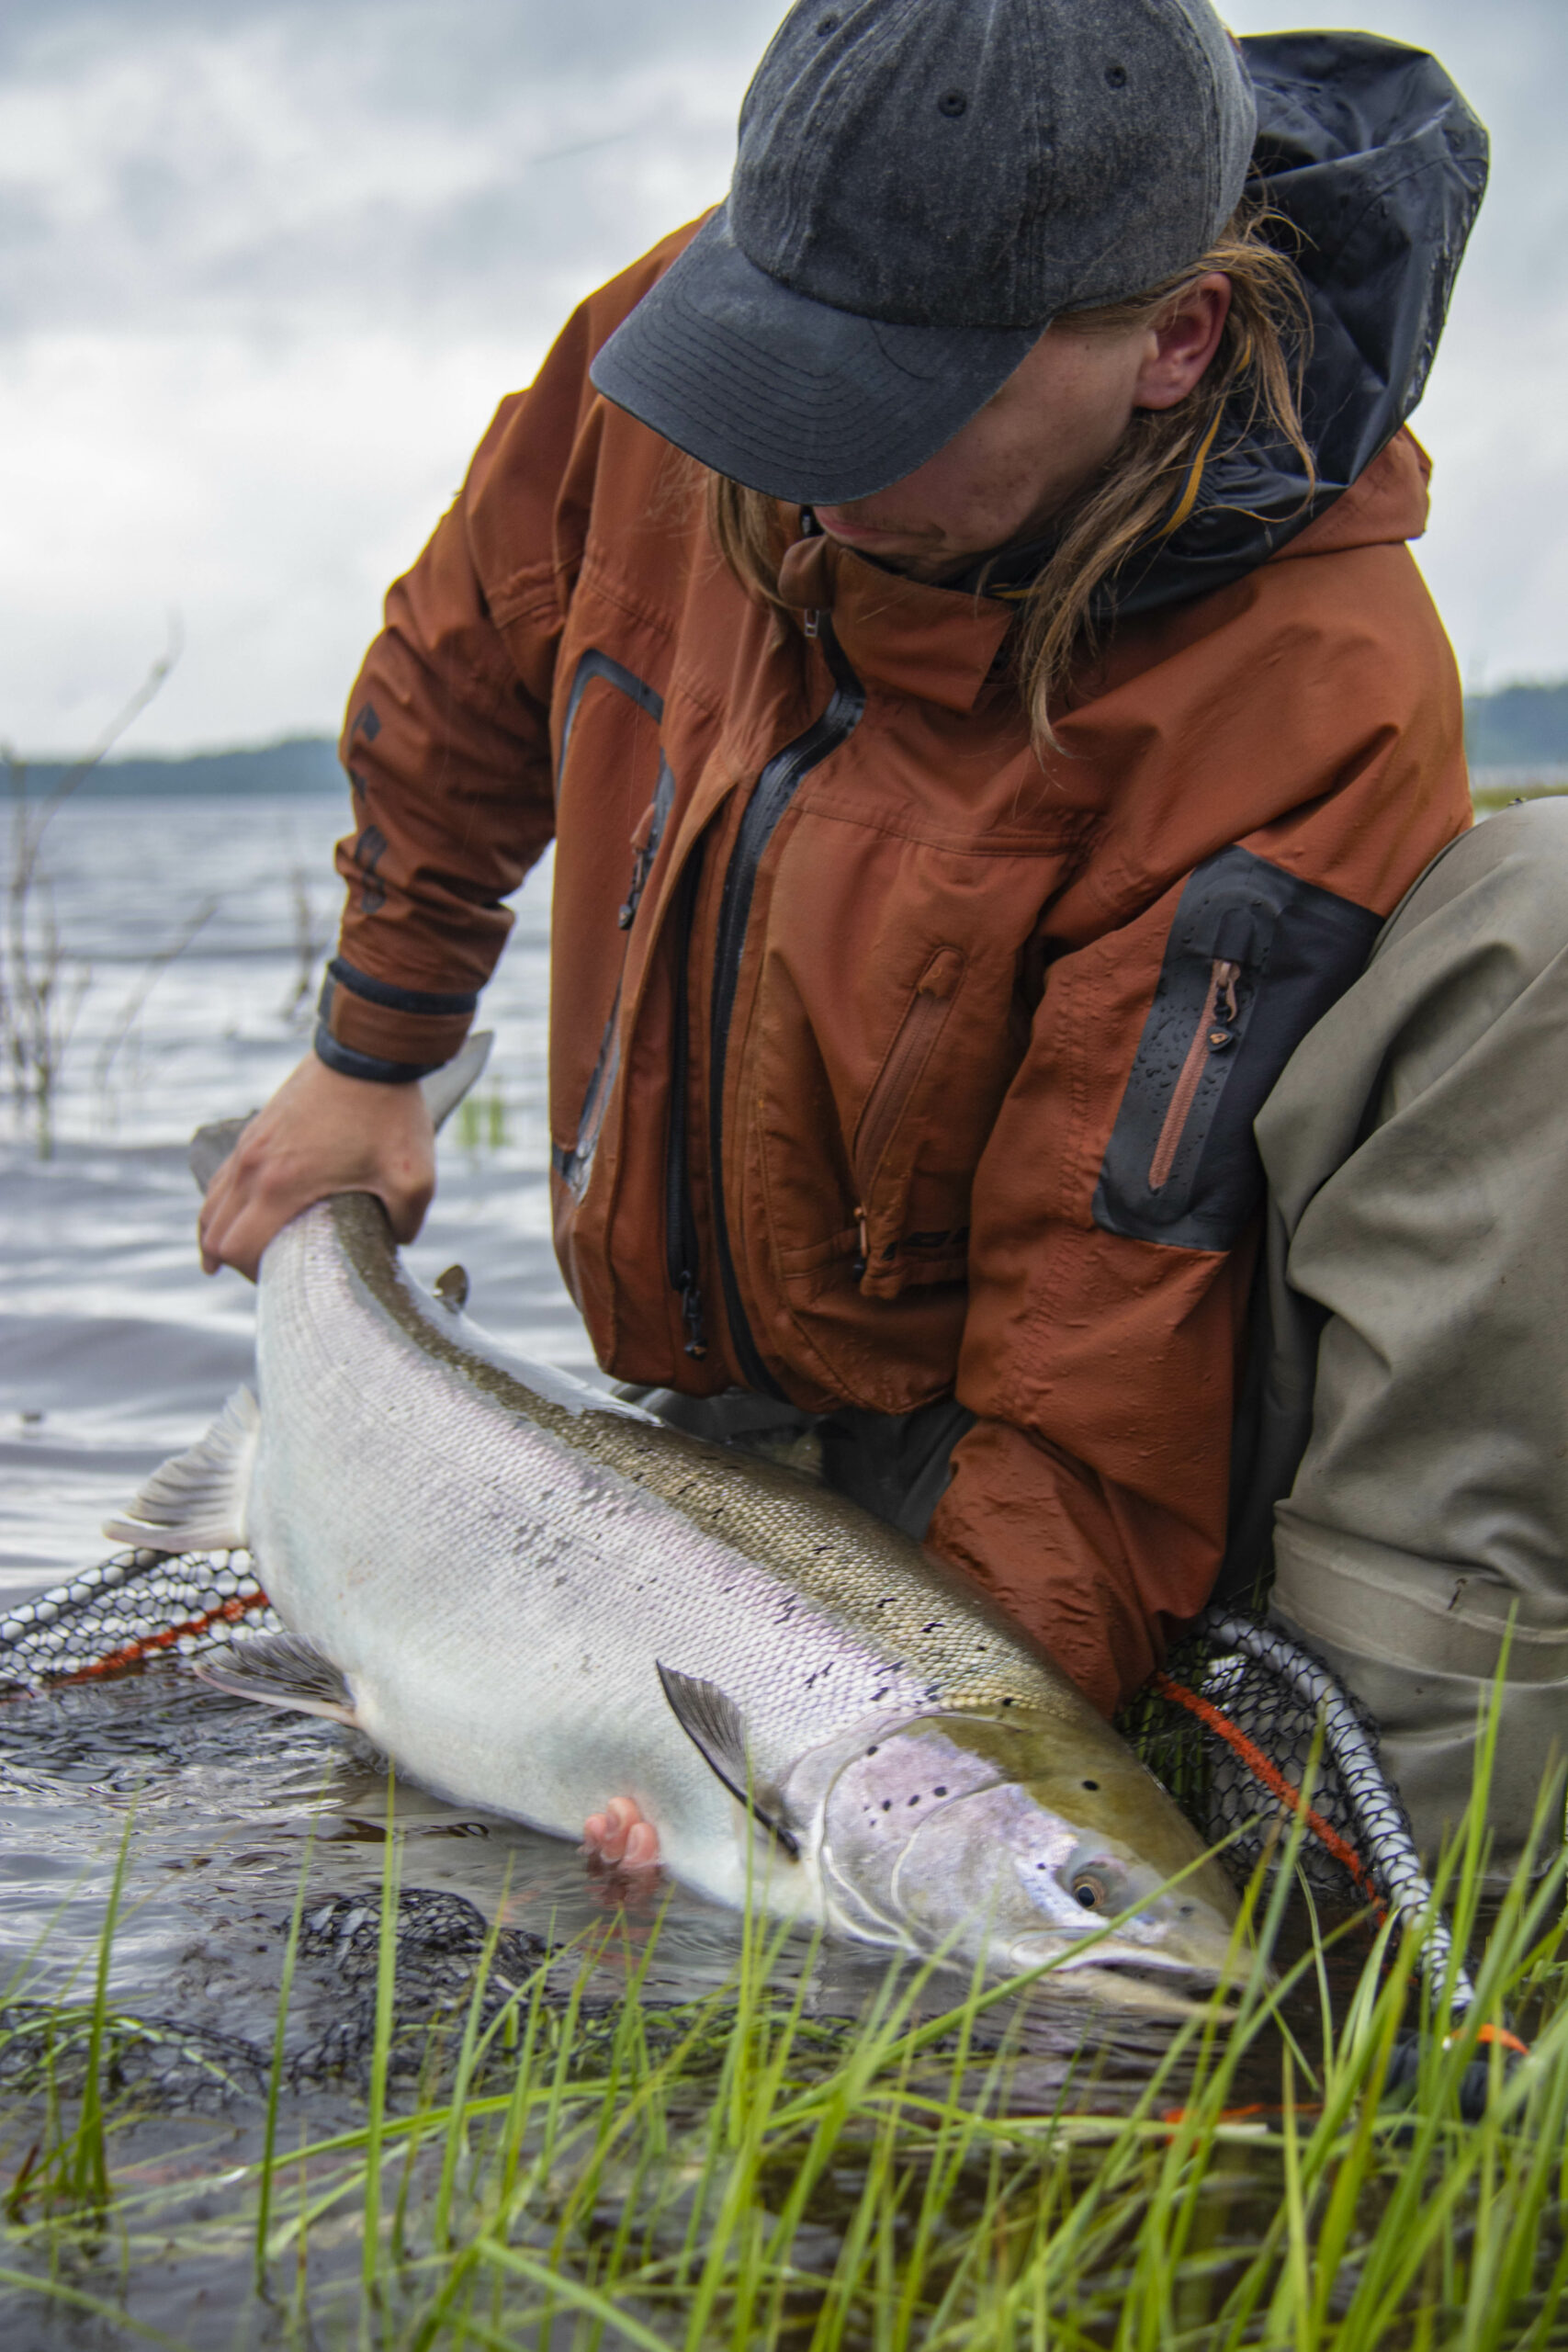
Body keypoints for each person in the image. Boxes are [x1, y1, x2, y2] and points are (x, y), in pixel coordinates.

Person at [199, 0, 1519, 1871]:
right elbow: (464, 656)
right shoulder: (695, 347)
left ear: (1172, 341)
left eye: (889, 394)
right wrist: (371, 1050)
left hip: (1009, 1423)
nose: (794, 454)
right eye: (774, 361)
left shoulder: (1304, 692)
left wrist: (894, 1771)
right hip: (719, 1416)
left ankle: (1380, 1853)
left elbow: (1104, 1339)